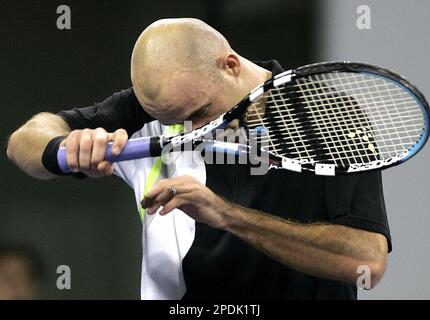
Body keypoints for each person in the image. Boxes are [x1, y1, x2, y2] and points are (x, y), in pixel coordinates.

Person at [7, 18, 390, 299]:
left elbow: (366, 264)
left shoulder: (330, 116)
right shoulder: (154, 112)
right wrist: (64, 150)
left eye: (202, 111)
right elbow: (23, 143)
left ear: (230, 65)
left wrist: (228, 216)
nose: (193, 128)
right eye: (176, 120)